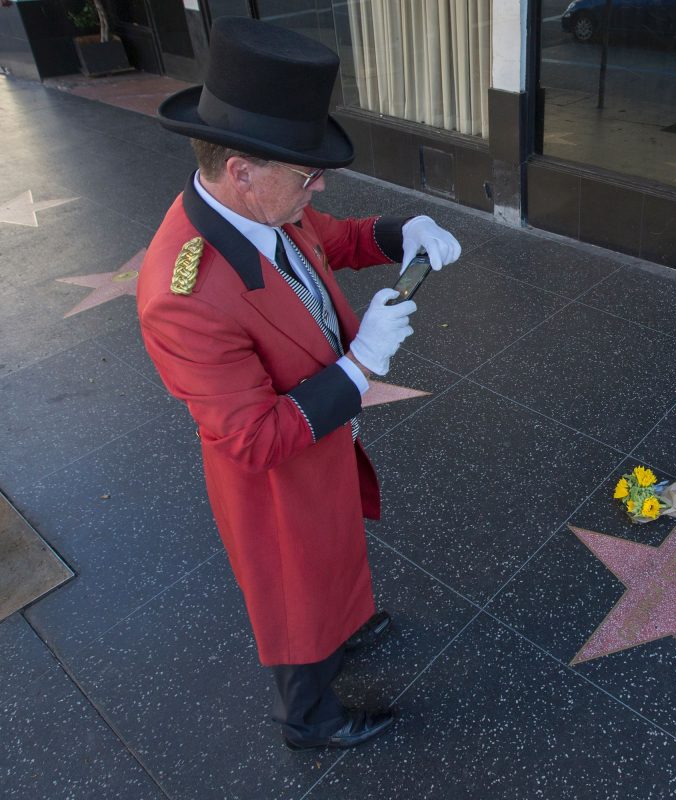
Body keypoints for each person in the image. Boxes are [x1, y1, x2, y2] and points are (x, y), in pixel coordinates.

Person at [137, 17, 461, 750]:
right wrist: (361, 363)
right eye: (305, 172)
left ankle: (345, 628)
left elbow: (335, 238)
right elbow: (253, 439)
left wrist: (399, 229)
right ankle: (307, 717)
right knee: (293, 590)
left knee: (335, 552)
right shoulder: (182, 294)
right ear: (241, 169)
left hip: (323, 435)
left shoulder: (266, 204)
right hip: (274, 480)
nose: (318, 186)